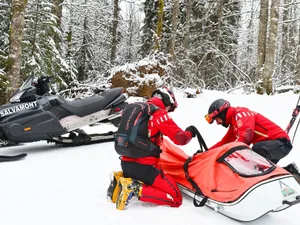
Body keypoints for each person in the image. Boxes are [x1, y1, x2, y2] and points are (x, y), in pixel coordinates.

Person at [107, 86, 197, 210]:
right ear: (167, 101)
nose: (169, 111)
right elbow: (180, 139)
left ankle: (120, 179)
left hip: (126, 163)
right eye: (170, 108)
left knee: (150, 174)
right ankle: (134, 188)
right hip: (145, 169)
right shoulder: (158, 113)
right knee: (175, 197)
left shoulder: (135, 109)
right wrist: (190, 132)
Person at [205, 98, 300, 179]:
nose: (217, 123)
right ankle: (291, 174)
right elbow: (224, 142)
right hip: (271, 146)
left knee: (253, 156)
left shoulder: (241, 113)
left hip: (282, 143)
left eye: (216, 119)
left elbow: (246, 137)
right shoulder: (234, 123)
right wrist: (206, 153)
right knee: (261, 173)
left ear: (222, 113)